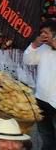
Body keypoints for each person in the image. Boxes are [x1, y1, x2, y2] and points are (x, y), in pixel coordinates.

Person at [23, 20, 56, 148]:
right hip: (41, 100)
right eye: (41, 33)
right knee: (46, 136)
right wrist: (35, 44)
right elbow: (28, 60)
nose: (43, 35)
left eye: (46, 33)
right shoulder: (43, 48)